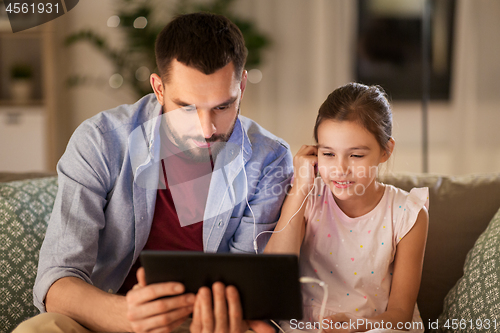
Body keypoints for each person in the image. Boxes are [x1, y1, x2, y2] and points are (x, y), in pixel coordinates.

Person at [14, 12, 292, 333]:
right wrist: (129, 316)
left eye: (222, 106)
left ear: (241, 86)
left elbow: (247, 285)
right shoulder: (101, 140)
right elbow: (57, 281)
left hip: (202, 327)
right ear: (159, 89)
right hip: (107, 316)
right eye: (187, 108)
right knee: (41, 329)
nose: (206, 130)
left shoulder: (269, 159)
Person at [264, 83, 429, 333]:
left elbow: (401, 314)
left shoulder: (408, 214)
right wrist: (301, 186)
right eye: (328, 154)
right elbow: (272, 275)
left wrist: (357, 326)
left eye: (356, 156)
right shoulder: (307, 197)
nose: (340, 169)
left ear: (386, 150)